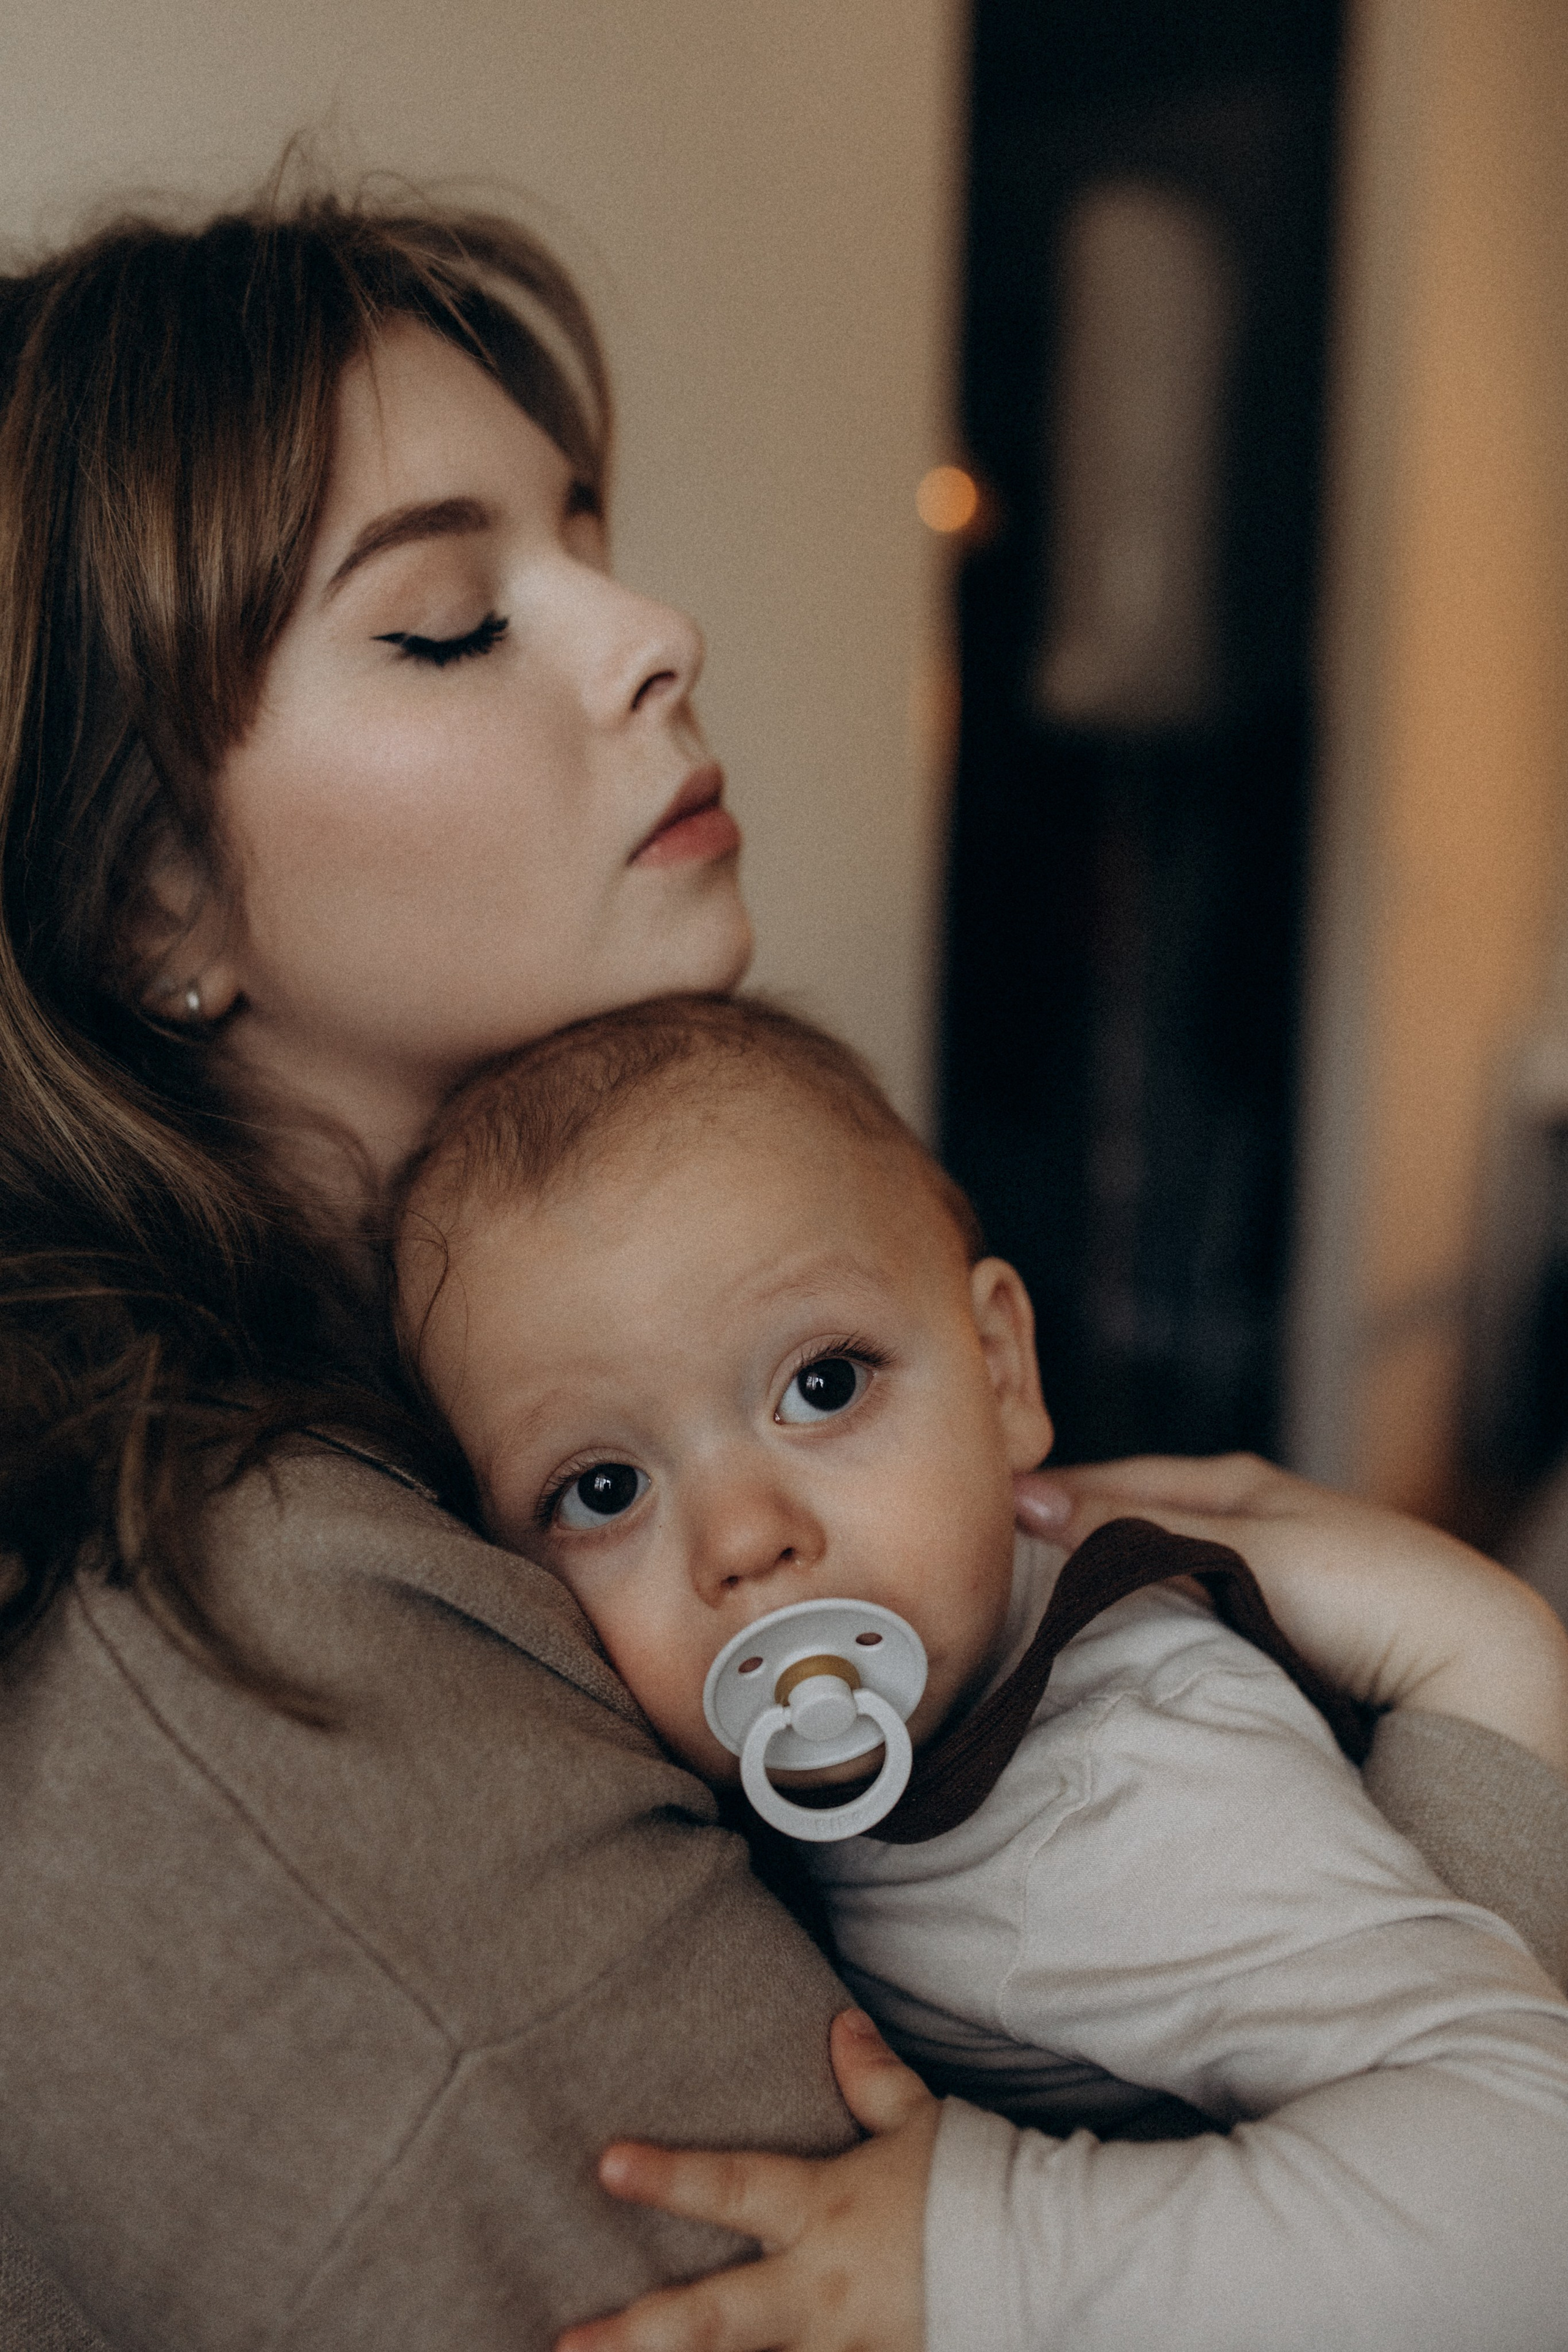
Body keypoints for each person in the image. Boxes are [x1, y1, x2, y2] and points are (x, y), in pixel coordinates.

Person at [1, 182, 1565, 2352]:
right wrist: (1500, 1725)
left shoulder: (438, 1451)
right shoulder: (263, 1644)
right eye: (454, 618)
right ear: (151, 897)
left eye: (589, 533)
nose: (655, 632)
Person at [391, 991, 1568, 2352]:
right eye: (601, 1487)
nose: (745, 1538)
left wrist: (989, 2250)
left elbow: (1534, 2186)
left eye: (824, 1386)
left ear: (1000, 1369)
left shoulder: (1122, 1786)